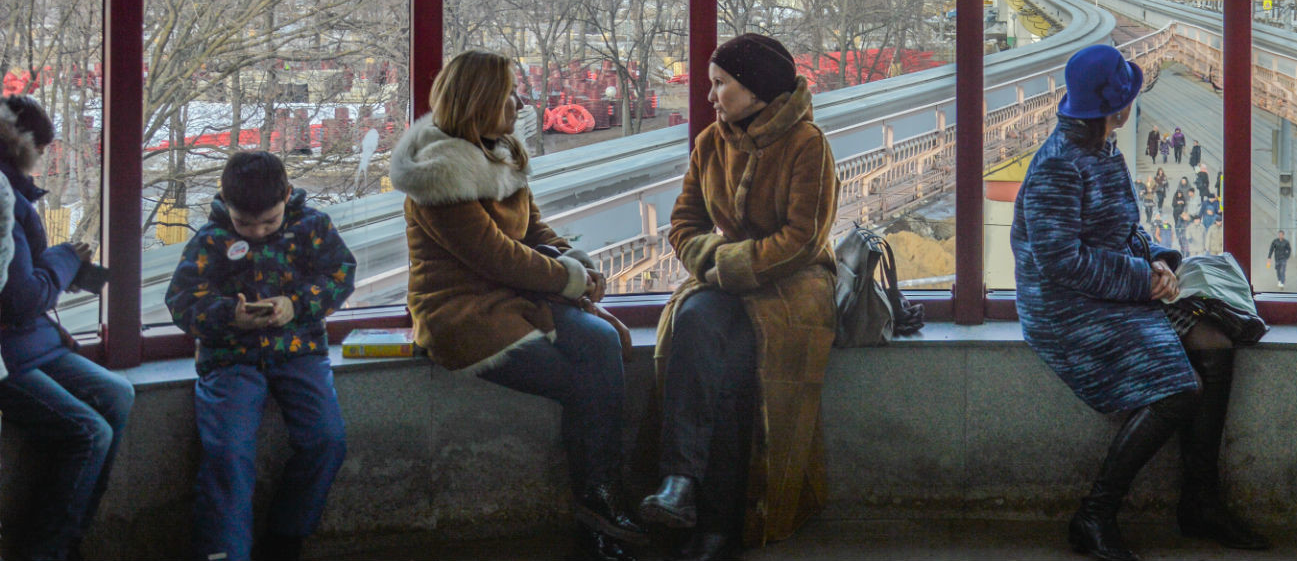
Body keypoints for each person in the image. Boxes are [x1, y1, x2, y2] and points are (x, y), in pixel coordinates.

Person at [1012, 44, 1268, 561]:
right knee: (1180, 390)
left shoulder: (1101, 148)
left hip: (1110, 289)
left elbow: (1126, 230)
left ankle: (1199, 501)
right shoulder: (1058, 166)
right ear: (1117, 106)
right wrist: (1142, 279)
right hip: (1067, 308)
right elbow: (1061, 263)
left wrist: (1160, 260)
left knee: (1217, 348)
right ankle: (1095, 513)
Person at [392, 51, 643, 561]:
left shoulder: (497, 151)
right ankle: (600, 508)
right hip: (461, 312)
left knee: (596, 354)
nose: (520, 101)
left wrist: (576, 262)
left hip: (511, 297)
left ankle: (600, 506)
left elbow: (532, 229)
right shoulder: (440, 175)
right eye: (509, 92)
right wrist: (571, 279)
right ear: (478, 101)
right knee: (591, 381)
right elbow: (497, 257)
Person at [641, 33, 840, 561]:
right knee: (697, 324)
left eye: (720, 84)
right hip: (726, 282)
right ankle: (695, 499)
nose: (709, 96)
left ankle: (699, 505)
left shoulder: (807, 144)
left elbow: (804, 239)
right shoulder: (711, 141)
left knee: (729, 367)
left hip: (795, 287)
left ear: (755, 90)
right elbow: (684, 224)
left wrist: (729, 262)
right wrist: (715, 261)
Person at [166, 150, 356, 561]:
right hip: (230, 358)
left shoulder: (313, 227)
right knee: (229, 454)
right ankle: (224, 552)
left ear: (287, 195)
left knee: (327, 439)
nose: (255, 231)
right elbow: (181, 302)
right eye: (244, 223)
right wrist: (228, 316)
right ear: (225, 202)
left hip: (299, 351)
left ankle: (288, 534)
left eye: (268, 222)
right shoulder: (210, 241)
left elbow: (341, 275)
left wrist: (297, 304)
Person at [0, 94, 136, 561]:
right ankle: (48, 550)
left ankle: (68, 533)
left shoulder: (13, 196)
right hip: (9, 352)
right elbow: (19, 301)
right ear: (29, 147)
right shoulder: (5, 200)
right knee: (90, 432)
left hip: (26, 342)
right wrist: (62, 261)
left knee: (119, 394)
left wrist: (56, 265)